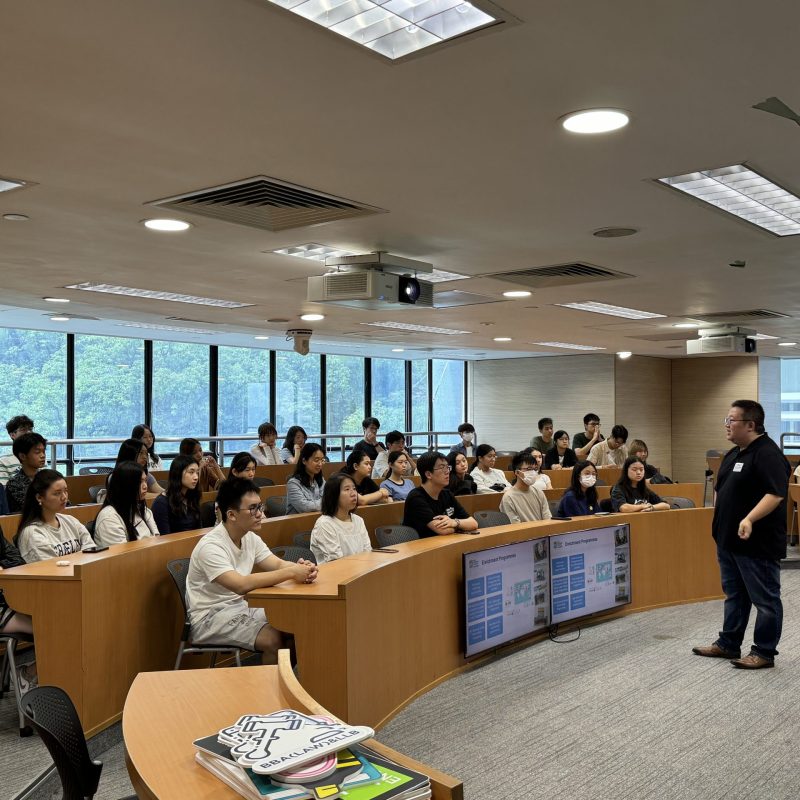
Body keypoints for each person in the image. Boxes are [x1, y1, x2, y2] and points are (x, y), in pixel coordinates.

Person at [693, 400, 791, 669]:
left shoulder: (767, 454)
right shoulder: (735, 453)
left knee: (765, 599)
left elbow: (776, 494)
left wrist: (749, 518)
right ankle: (728, 643)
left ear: (750, 424)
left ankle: (763, 652)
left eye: (731, 420)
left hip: (757, 543)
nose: (726, 425)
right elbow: (721, 486)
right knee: (734, 595)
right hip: (728, 541)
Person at [186, 477, 317, 664]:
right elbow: (240, 585)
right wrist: (292, 573)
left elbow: (278, 565)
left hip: (241, 607)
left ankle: (292, 684)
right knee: (273, 640)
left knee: (294, 624)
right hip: (210, 617)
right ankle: (269, 692)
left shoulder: (250, 537)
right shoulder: (210, 546)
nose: (260, 514)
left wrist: (301, 568)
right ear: (231, 515)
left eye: (260, 506)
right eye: (253, 508)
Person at [15, 470, 93, 562]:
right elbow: (51, 568)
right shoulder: (32, 533)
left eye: (65, 491)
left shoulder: (71, 521)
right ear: (39, 497)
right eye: (57, 493)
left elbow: (91, 550)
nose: (64, 497)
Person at [403, 451, 478, 538]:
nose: (447, 472)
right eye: (442, 468)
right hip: (421, 547)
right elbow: (443, 530)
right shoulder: (416, 498)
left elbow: (473, 523)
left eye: (447, 467)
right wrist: (460, 527)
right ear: (428, 474)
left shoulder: (447, 494)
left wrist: (454, 522)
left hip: (445, 543)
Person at [0, 532, 37, 691]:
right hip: (3, 608)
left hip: (9, 598)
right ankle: (27, 675)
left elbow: (17, 559)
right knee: (57, 630)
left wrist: (1, 564)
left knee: (64, 620)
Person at [309, 473, 372, 564]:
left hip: (359, 570)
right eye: (347, 489)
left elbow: (368, 552)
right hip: (334, 574)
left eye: (354, 489)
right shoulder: (324, 524)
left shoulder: (358, 520)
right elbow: (336, 561)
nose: (353, 493)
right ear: (334, 495)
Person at [94, 461, 160, 546]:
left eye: (145, 481)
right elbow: (121, 556)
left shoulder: (144, 510)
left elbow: (157, 540)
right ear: (126, 485)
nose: (145, 486)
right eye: (140, 482)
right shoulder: (109, 518)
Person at [151, 455, 202, 534]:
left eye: (197, 473)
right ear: (178, 473)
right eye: (191, 472)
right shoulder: (161, 503)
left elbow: (199, 530)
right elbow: (164, 538)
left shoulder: (192, 498)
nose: (196, 477)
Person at [500, 452, 552, 523]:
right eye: (529, 469)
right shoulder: (508, 497)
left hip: (543, 531)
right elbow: (515, 526)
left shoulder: (539, 492)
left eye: (535, 469)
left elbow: (547, 519)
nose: (533, 472)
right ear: (517, 472)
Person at [6, 432, 47, 513]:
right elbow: (32, 508)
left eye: (43, 451)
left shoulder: (49, 478)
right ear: (22, 456)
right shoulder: (14, 483)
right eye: (37, 452)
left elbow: (66, 504)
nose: (43, 455)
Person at [286, 443, 326, 514]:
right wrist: (325, 502)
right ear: (304, 460)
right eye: (316, 460)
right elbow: (305, 507)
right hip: (297, 522)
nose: (320, 464)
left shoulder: (321, 480)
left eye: (322, 460)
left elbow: (330, 498)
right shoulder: (293, 483)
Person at [0, 414, 34, 485]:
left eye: (30, 429)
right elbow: (4, 490)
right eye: (23, 430)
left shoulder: (39, 457)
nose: (29, 432)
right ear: (12, 435)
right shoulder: (3, 461)